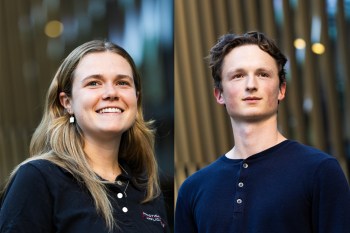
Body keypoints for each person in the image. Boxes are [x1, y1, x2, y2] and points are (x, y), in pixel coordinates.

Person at [175, 31, 350, 233]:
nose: (251, 85)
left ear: (281, 89)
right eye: (238, 76)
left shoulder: (320, 171)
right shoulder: (193, 190)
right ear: (219, 94)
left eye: (263, 74)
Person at [0, 40, 169, 233]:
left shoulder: (146, 188)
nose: (111, 93)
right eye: (94, 83)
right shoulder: (37, 178)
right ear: (67, 102)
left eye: (122, 83)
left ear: (136, 97)